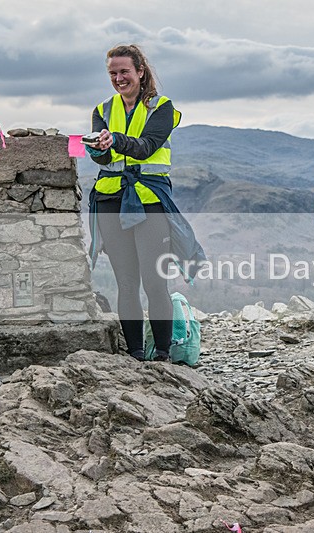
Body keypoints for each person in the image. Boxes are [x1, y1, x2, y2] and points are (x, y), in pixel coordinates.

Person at [86, 44, 204, 362]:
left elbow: (147, 146)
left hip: (149, 200)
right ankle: (136, 354)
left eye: (124, 71)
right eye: (112, 73)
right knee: (126, 281)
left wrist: (115, 140)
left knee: (154, 281)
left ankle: (163, 354)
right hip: (110, 200)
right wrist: (97, 148)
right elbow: (106, 157)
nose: (118, 78)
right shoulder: (102, 109)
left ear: (140, 71)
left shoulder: (161, 107)